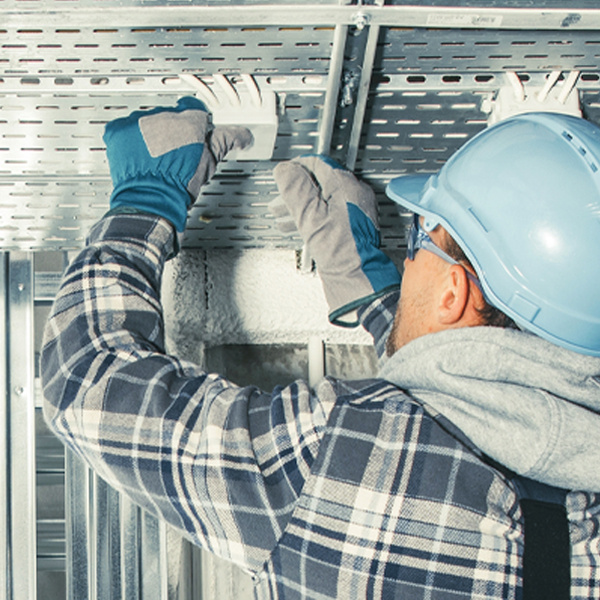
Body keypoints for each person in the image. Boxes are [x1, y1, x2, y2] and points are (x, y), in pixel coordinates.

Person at [40, 96, 600, 599]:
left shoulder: (338, 461)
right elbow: (502, 405)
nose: (408, 262)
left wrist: (145, 198)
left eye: (419, 241)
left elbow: (87, 377)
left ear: (453, 293)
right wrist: (382, 301)